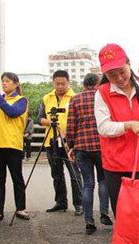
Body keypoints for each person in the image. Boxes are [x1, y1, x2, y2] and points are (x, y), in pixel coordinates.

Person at [94, 43, 139, 216]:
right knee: (123, 213)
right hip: (115, 164)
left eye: (122, 71)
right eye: (112, 74)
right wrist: (128, 125)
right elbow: (103, 127)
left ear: (129, 64)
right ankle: (126, 243)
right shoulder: (102, 93)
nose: (119, 78)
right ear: (105, 74)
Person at [66, 73, 112, 235]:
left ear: (84, 84)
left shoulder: (75, 99)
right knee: (103, 181)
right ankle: (104, 213)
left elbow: (71, 125)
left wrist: (70, 145)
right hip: (102, 146)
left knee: (88, 184)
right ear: (98, 83)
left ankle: (89, 221)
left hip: (82, 146)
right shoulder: (104, 96)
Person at [0, 72, 30, 222]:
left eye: (8, 81)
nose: (4, 83)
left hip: (12, 144)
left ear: (16, 83)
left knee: (17, 178)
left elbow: (12, 112)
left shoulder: (21, 100)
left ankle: (21, 208)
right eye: (3, 81)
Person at [38, 70, 82, 215]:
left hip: (70, 142)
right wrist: (51, 123)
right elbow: (40, 118)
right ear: (53, 83)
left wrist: (68, 135)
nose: (60, 86)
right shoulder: (46, 98)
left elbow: (79, 120)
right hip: (51, 141)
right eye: (57, 84)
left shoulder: (75, 97)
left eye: (63, 83)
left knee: (74, 174)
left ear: (69, 82)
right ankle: (60, 202)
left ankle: (79, 204)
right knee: (56, 174)